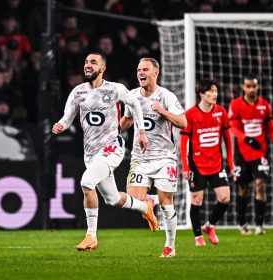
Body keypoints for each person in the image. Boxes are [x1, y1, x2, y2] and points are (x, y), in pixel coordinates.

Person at [52, 52, 157, 251]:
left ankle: (91, 236)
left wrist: (141, 131)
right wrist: (60, 125)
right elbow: (67, 118)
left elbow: (135, 104)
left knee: (86, 182)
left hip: (112, 147)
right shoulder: (78, 92)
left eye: (93, 62)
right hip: (90, 154)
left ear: (102, 68)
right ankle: (146, 207)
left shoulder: (115, 89)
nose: (87, 65)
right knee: (113, 199)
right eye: (85, 62)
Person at [120, 58, 187, 258]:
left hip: (165, 157)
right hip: (140, 158)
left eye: (145, 69)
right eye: (139, 69)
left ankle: (170, 246)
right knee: (134, 198)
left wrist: (162, 111)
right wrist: (125, 119)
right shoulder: (132, 96)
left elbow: (183, 123)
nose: (141, 72)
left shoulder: (166, 96)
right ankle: (151, 202)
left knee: (167, 205)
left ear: (155, 73)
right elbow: (124, 125)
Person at [228, 73, 273, 235]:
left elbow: (272, 128)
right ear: (243, 87)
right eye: (248, 86)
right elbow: (233, 127)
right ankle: (242, 223)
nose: (251, 89)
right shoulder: (236, 104)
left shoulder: (265, 105)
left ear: (257, 86)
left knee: (260, 185)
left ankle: (259, 225)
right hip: (241, 154)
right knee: (242, 188)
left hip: (260, 153)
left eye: (254, 86)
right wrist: (246, 139)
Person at [180, 79, 234, 246]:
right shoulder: (190, 115)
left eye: (216, 91)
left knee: (225, 198)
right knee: (197, 200)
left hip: (216, 163)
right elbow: (183, 143)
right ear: (202, 94)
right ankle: (198, 237)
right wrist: (185, 166)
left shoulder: (221, 112)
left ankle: (209, 226)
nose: (215, 94)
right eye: (211, 91)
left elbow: (228, 140)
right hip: (197, 165)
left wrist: (230, 163)